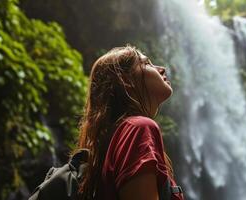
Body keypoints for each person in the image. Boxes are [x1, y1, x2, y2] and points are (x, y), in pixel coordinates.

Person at [73, 45, 184, 200]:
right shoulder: (138, 128)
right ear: (125, 80)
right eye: (147, 63)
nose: (162, 68)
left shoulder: (113, 141)